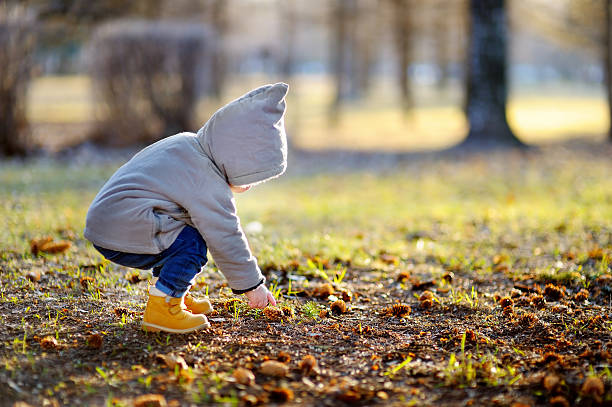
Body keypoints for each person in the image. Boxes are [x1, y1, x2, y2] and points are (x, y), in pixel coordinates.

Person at [84, 83, 288, 333]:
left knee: (180, 234)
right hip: (125, 227)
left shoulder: (187, 145)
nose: (248, 187)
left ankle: (174, 290)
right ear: (237, 158)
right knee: (193, 243)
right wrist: (253, 285)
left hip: (111, 222)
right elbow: (225, 234)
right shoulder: (205, 177)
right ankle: (163, 307)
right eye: (250, 178)